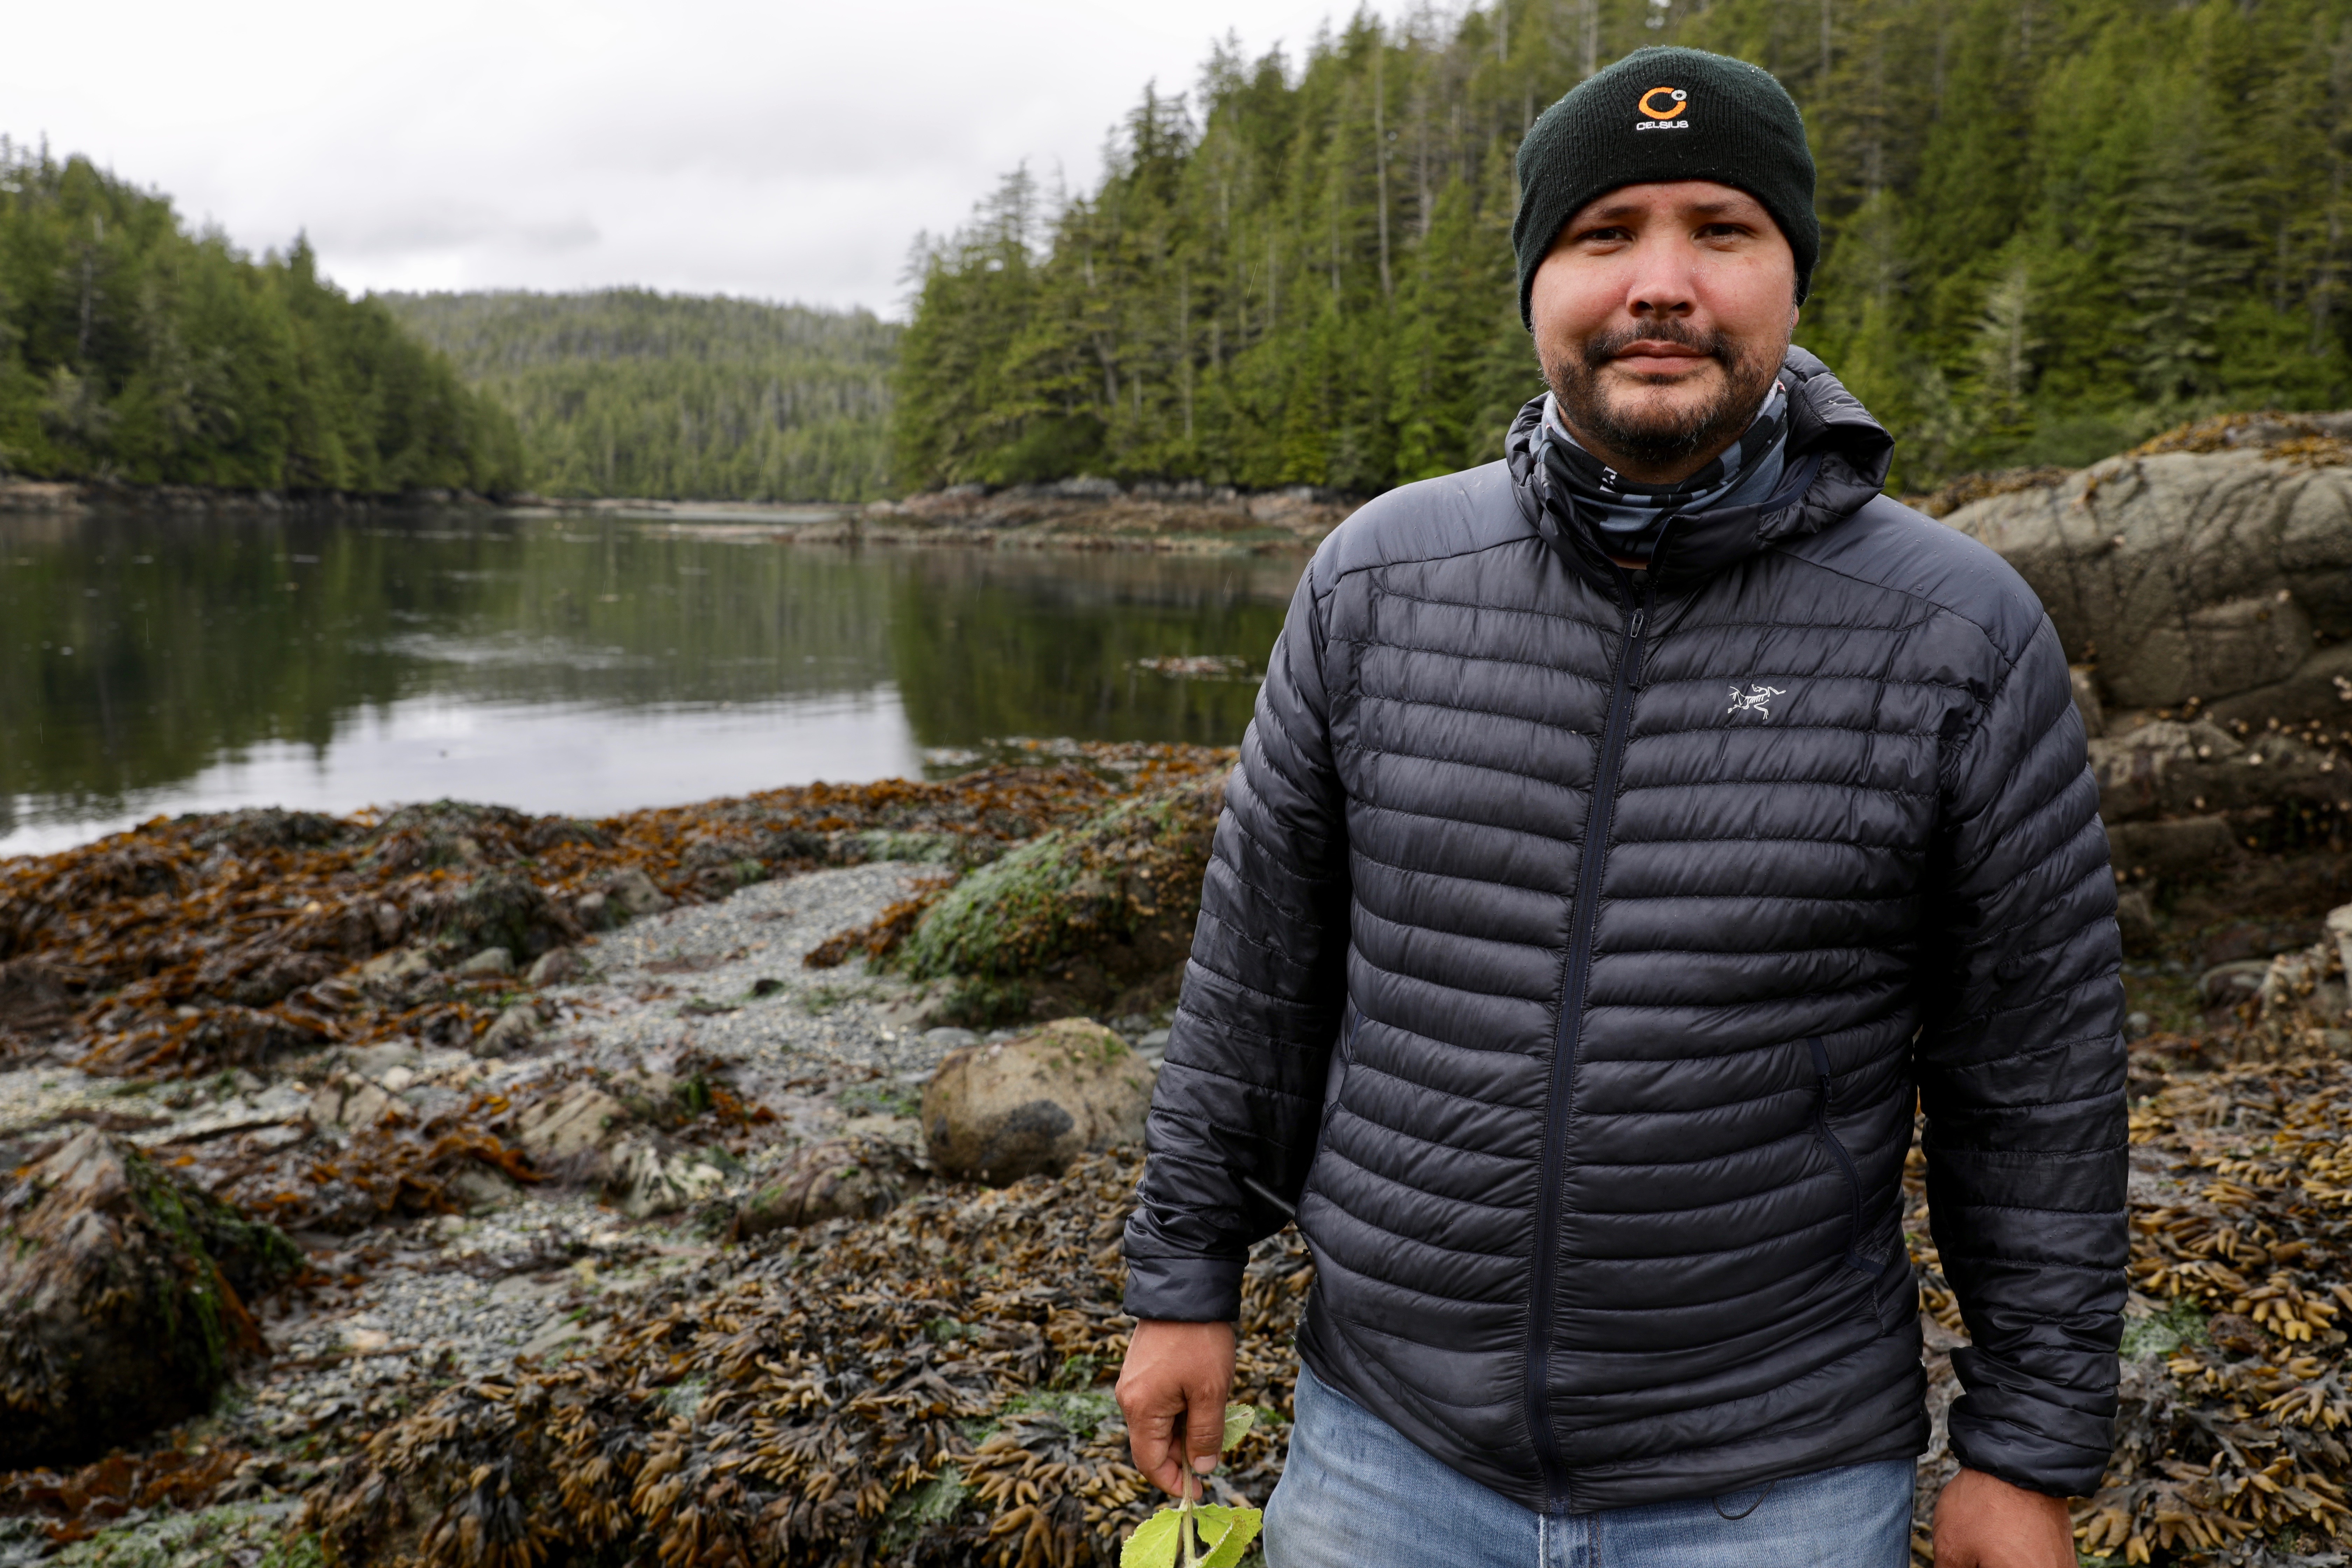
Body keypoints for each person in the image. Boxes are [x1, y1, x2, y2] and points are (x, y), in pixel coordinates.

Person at [1113, 43, 2125, 1568]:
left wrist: (2025, 1453)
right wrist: (1183, 1277)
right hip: (1384, 1458)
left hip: (1773, 1485)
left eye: (1721, 230)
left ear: (1791, 274)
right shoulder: (1378, 583)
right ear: (1537, 280)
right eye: (1607, 235)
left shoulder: (1958, 632)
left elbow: (2036, 1080)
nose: (1663, 282)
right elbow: (1255, 979)